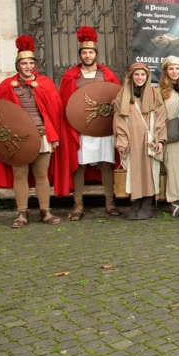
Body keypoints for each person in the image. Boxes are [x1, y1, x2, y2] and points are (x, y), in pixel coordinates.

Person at [0, 35, 69, 228]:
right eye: (24, 63)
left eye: (30, 63)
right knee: (20, 174)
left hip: (42, 135)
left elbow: (55, 112)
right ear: (18, 65)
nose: (27, 66)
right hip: (17, 139)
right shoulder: (6, 85)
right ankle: (22, 213)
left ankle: (45, 211)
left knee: (41, 175)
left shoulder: (46, 84)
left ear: (35, 65)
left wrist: (54, 136)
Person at [58, 26, 121, 221]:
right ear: (80, 54)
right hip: (80, 128)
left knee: (105, 163)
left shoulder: (107, 75)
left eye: (90, 52)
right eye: (84, 52)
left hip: (103, 128)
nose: (87, 55)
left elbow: (117, 99)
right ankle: (78, 204)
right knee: (80, 165)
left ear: (96, 53)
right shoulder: (71, 77)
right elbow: (65, 103)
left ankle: (110, 202)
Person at [113, 63, 167, 220]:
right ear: (131, 77)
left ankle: (147, 203)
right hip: (132, 140)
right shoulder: (123, 95)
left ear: (147, 77)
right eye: (136, 75)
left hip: (148, 140)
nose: (139, 78)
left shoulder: (155, 94)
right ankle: (135, 202)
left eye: (143, 75)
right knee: (133, 171)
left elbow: (161, 118)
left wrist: (160, 139)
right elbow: (119, 120)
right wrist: (122, 141)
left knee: (149, 170)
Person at [159, 57, 179, 217]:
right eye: (171, 69)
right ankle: (174, 201)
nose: (174, 72)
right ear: (166, 71)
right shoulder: (160, 90)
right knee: (174, 167)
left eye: (177, 68)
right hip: (171, 132)